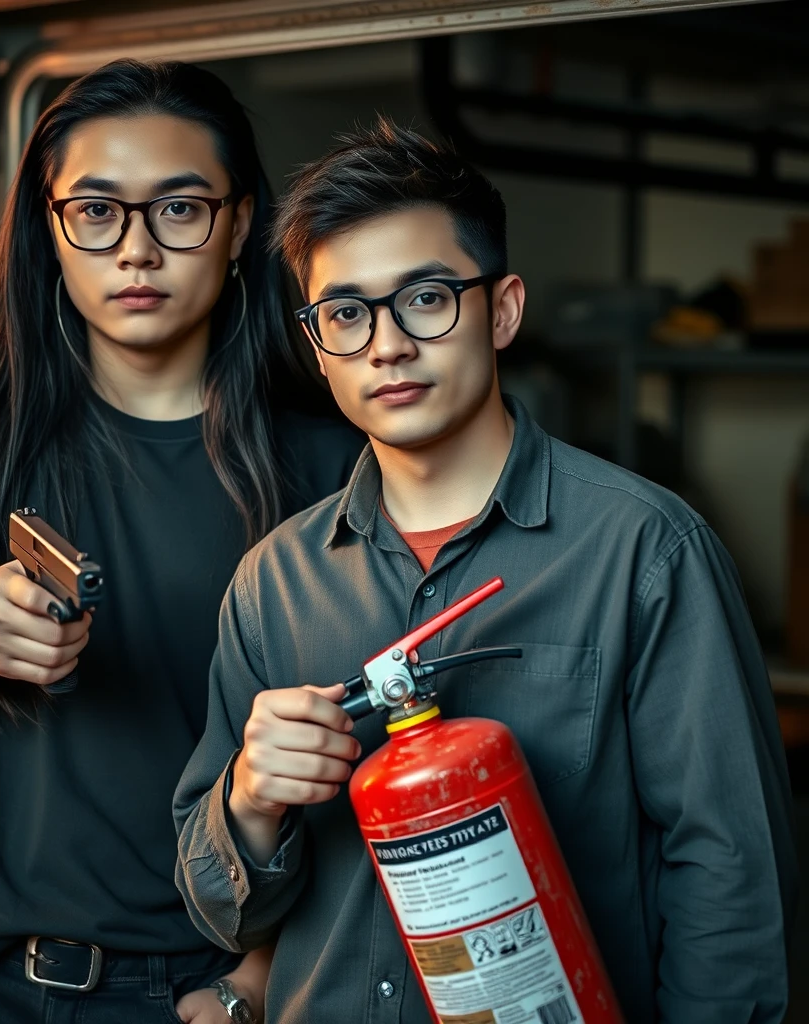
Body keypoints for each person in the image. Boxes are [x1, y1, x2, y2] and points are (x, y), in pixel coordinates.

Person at [174, 120, 798, 1023]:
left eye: (424, 298)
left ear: (502, 310)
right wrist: (251, 799)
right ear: (317, 345)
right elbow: (225, 911)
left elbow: (730, 879)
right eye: (344, 313)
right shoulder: (274, 585)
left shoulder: (643, 552)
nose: (385, 345)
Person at [0, 59, 363, 1024]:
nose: (138, 251)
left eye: (181, 209)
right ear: (52, 230)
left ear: (240, 227)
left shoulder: (329, 462)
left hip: (189, 992)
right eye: (98, 212)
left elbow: (351, 762)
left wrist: (249, 986)